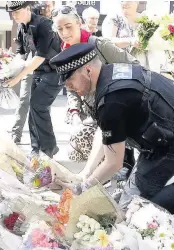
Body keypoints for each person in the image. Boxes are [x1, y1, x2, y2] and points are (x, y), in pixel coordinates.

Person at [49, 43, 174, 215]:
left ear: (88, 71)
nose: (67, 86)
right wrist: (87, 173)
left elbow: (113, 163)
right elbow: (105, 131)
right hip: (164, 136)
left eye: (70, 80)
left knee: (130, 210)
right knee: (124, 200)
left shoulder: (112, 99)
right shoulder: (110, 73)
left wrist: (83, 188)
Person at [52, 5, 138, 181]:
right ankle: (99, 176)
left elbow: (135, 66)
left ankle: (123, 169)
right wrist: (74, 111)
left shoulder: (99, 45)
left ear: (79, 23)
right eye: (60, 29)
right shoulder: (65, 53)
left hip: (120, 109)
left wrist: (116, 89)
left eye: (69, 26)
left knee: (119, 169)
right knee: (78, 144)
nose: (65, 32)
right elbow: (71, 87)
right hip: (97, 111)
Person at [5, 1, 63, 157]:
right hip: (38, 72)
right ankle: (36, 147)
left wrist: (18, 78)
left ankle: (48, 149)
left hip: (54, 71)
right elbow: (21, 54)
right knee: (33, 108)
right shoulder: (21, 27)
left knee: (38, 106)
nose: (14, 15)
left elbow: (40, 56)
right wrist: (7, 70)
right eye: (12, 13)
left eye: (17, 12)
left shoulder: (44, 24)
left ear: (27, 9)